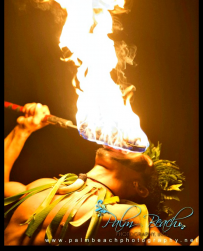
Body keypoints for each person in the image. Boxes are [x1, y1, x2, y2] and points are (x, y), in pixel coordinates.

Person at [4, 103, 198, 246]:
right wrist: (22, 130)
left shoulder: (127, 216)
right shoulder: (44, 185)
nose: (128, 145)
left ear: (140, 186)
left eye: (141, 155)